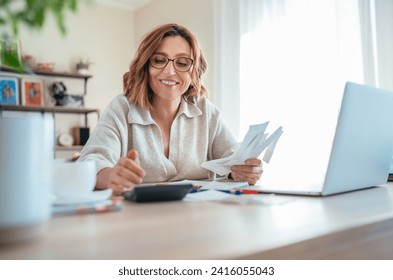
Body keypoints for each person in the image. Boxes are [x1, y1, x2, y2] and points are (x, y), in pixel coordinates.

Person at [78, 23, 263, 195]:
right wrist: (110, 176)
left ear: (194, 72)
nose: (170, 71)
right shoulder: (121, 109)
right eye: (159, 60)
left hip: (199, 219)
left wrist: (243, 172)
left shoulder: (206, 111)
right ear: (146, 66)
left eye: (182, 63)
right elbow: (91, 161)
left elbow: (232, 161)